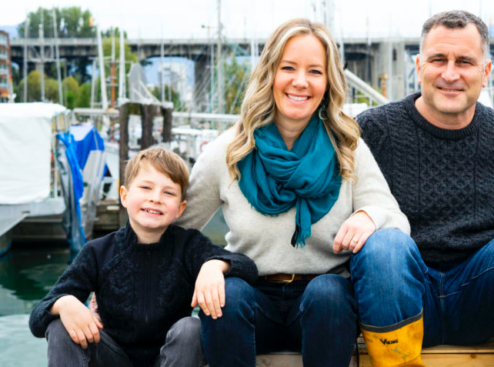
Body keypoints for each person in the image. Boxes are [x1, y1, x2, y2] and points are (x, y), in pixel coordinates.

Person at [174, 18, 410, 367]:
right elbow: (178, 231)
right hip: (250, 302)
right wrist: (209, 262)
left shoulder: (348, 147)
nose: (300, 82)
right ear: (270, 73)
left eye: (315, 71)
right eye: (288, 68)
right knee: (229, 294)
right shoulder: (228, 151)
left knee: (328, 291)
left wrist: (367, 215)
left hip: (325, 308)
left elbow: (395, 219)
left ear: (328, 81)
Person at [352, 10, 494, 367]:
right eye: (439, 59)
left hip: (483, 296)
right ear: (419, 66)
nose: (450, 73)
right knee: (385, 243)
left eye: (465, 62)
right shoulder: (371, 132)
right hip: (399, 291)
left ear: (485, 73)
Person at [28, 147, 258, 367]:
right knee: (60, 324)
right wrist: (64, 303)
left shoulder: (189, 246)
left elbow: (248, 267)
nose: (156, 198)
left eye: (168, 193)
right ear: (125, 196)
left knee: (191, 328)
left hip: (170, 358)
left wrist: (214, 265)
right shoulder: (97, 252)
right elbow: (37, 319)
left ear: (180, 208)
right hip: (110, 357)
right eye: (146, 188)